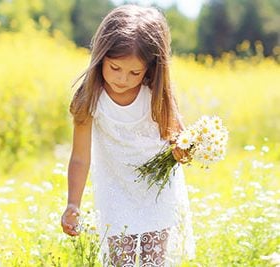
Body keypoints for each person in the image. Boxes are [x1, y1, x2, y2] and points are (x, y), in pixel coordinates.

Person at [61, 4, 195, 267]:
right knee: (119, 261)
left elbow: (180, 141)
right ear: (101, 57)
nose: (123, 79)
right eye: (114, 68)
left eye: (135, 72)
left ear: (151, 67)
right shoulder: (90, 99)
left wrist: (183, 149)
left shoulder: (156, 94)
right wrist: (72, 204)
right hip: (116, 191)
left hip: (156, 192)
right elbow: (79, 158)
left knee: (153, 262)